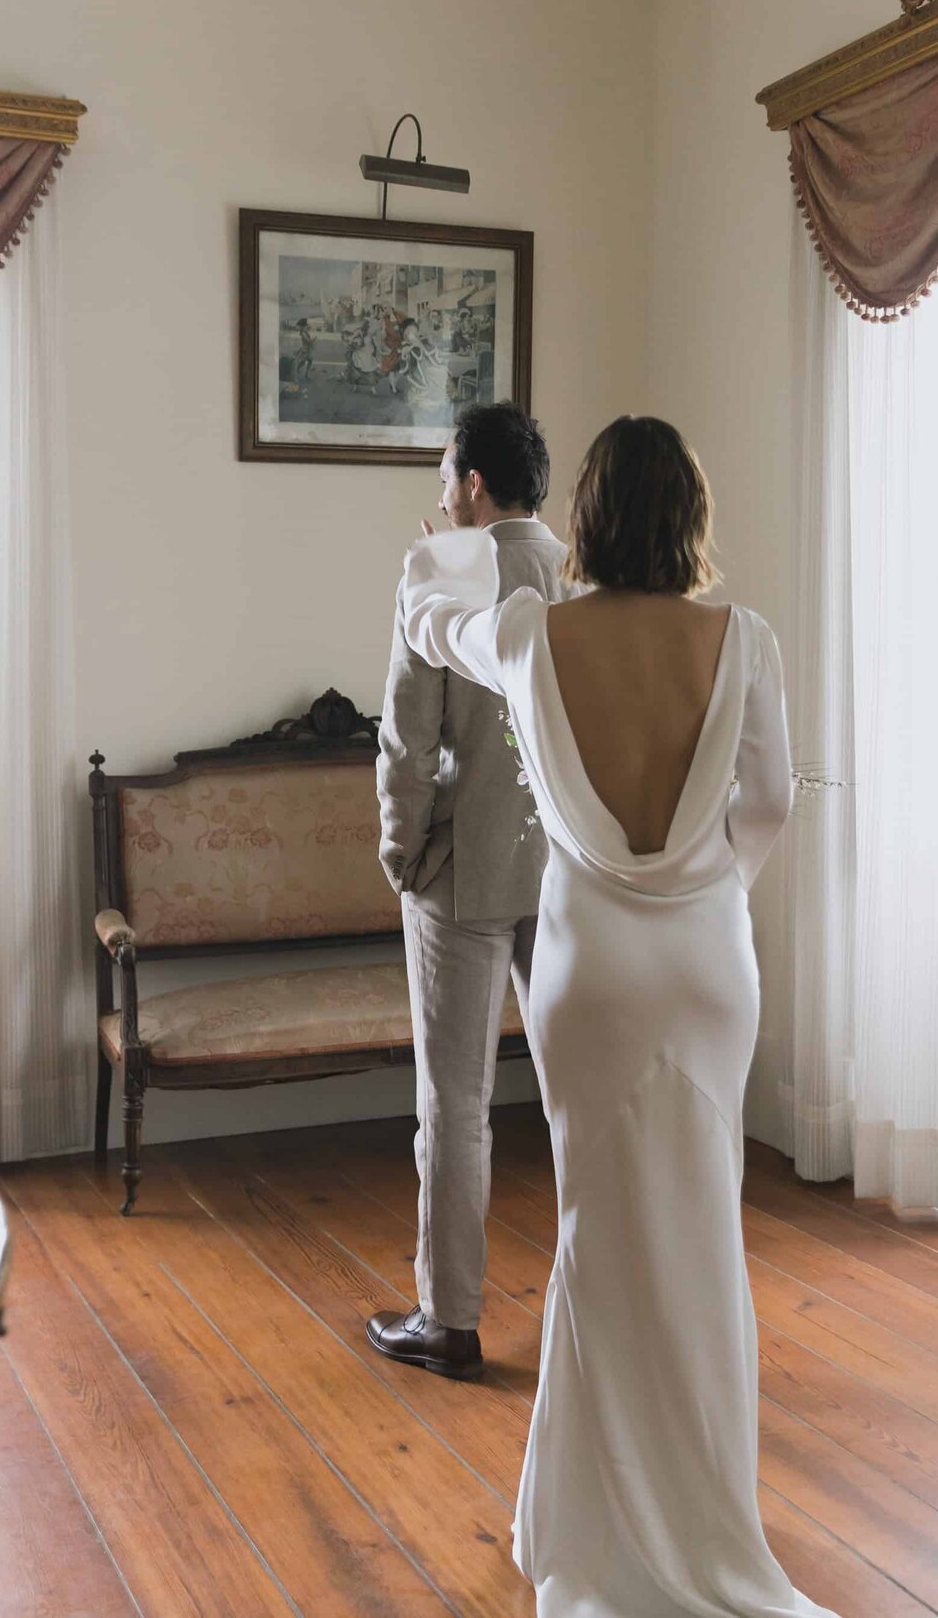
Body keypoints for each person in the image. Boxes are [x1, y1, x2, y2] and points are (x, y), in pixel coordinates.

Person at [393, 416, 837, 1618]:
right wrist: (700, 896)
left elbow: (437, 621)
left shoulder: (535, 636)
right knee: (700, 1229)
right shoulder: (744, 641)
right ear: (690, 512)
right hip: (703, 971)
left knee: (597, 1221)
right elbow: (767, 807)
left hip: (588, 971)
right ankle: (706, 1524)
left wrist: (445, 548)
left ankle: (589, 1531)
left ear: (583, 516)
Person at [368, 401, 566, 1381]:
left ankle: (449, 1320)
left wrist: (402, 853)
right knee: (579, 1098)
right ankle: (597, 1314)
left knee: (455, 1100)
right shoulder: (578, 571)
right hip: (568, 871)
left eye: (446, 478)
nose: (441, 497)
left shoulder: (439, 570)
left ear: (473, 485)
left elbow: (409, 736)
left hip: (462, 869)